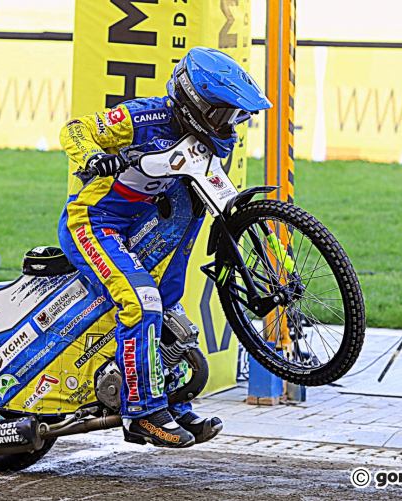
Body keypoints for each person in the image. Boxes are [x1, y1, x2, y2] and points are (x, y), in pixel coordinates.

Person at [58, 47, 272, 447]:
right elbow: (74, 129)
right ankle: (141, 414)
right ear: (194, 104)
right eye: (222, 115)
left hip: (146, 229)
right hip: (95, 223)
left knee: (171, 315)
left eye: (236, 116)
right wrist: (93, 157)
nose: (230, 126)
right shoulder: (144, 116)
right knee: (142, 305)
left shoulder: (205, 141)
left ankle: (172, 404)